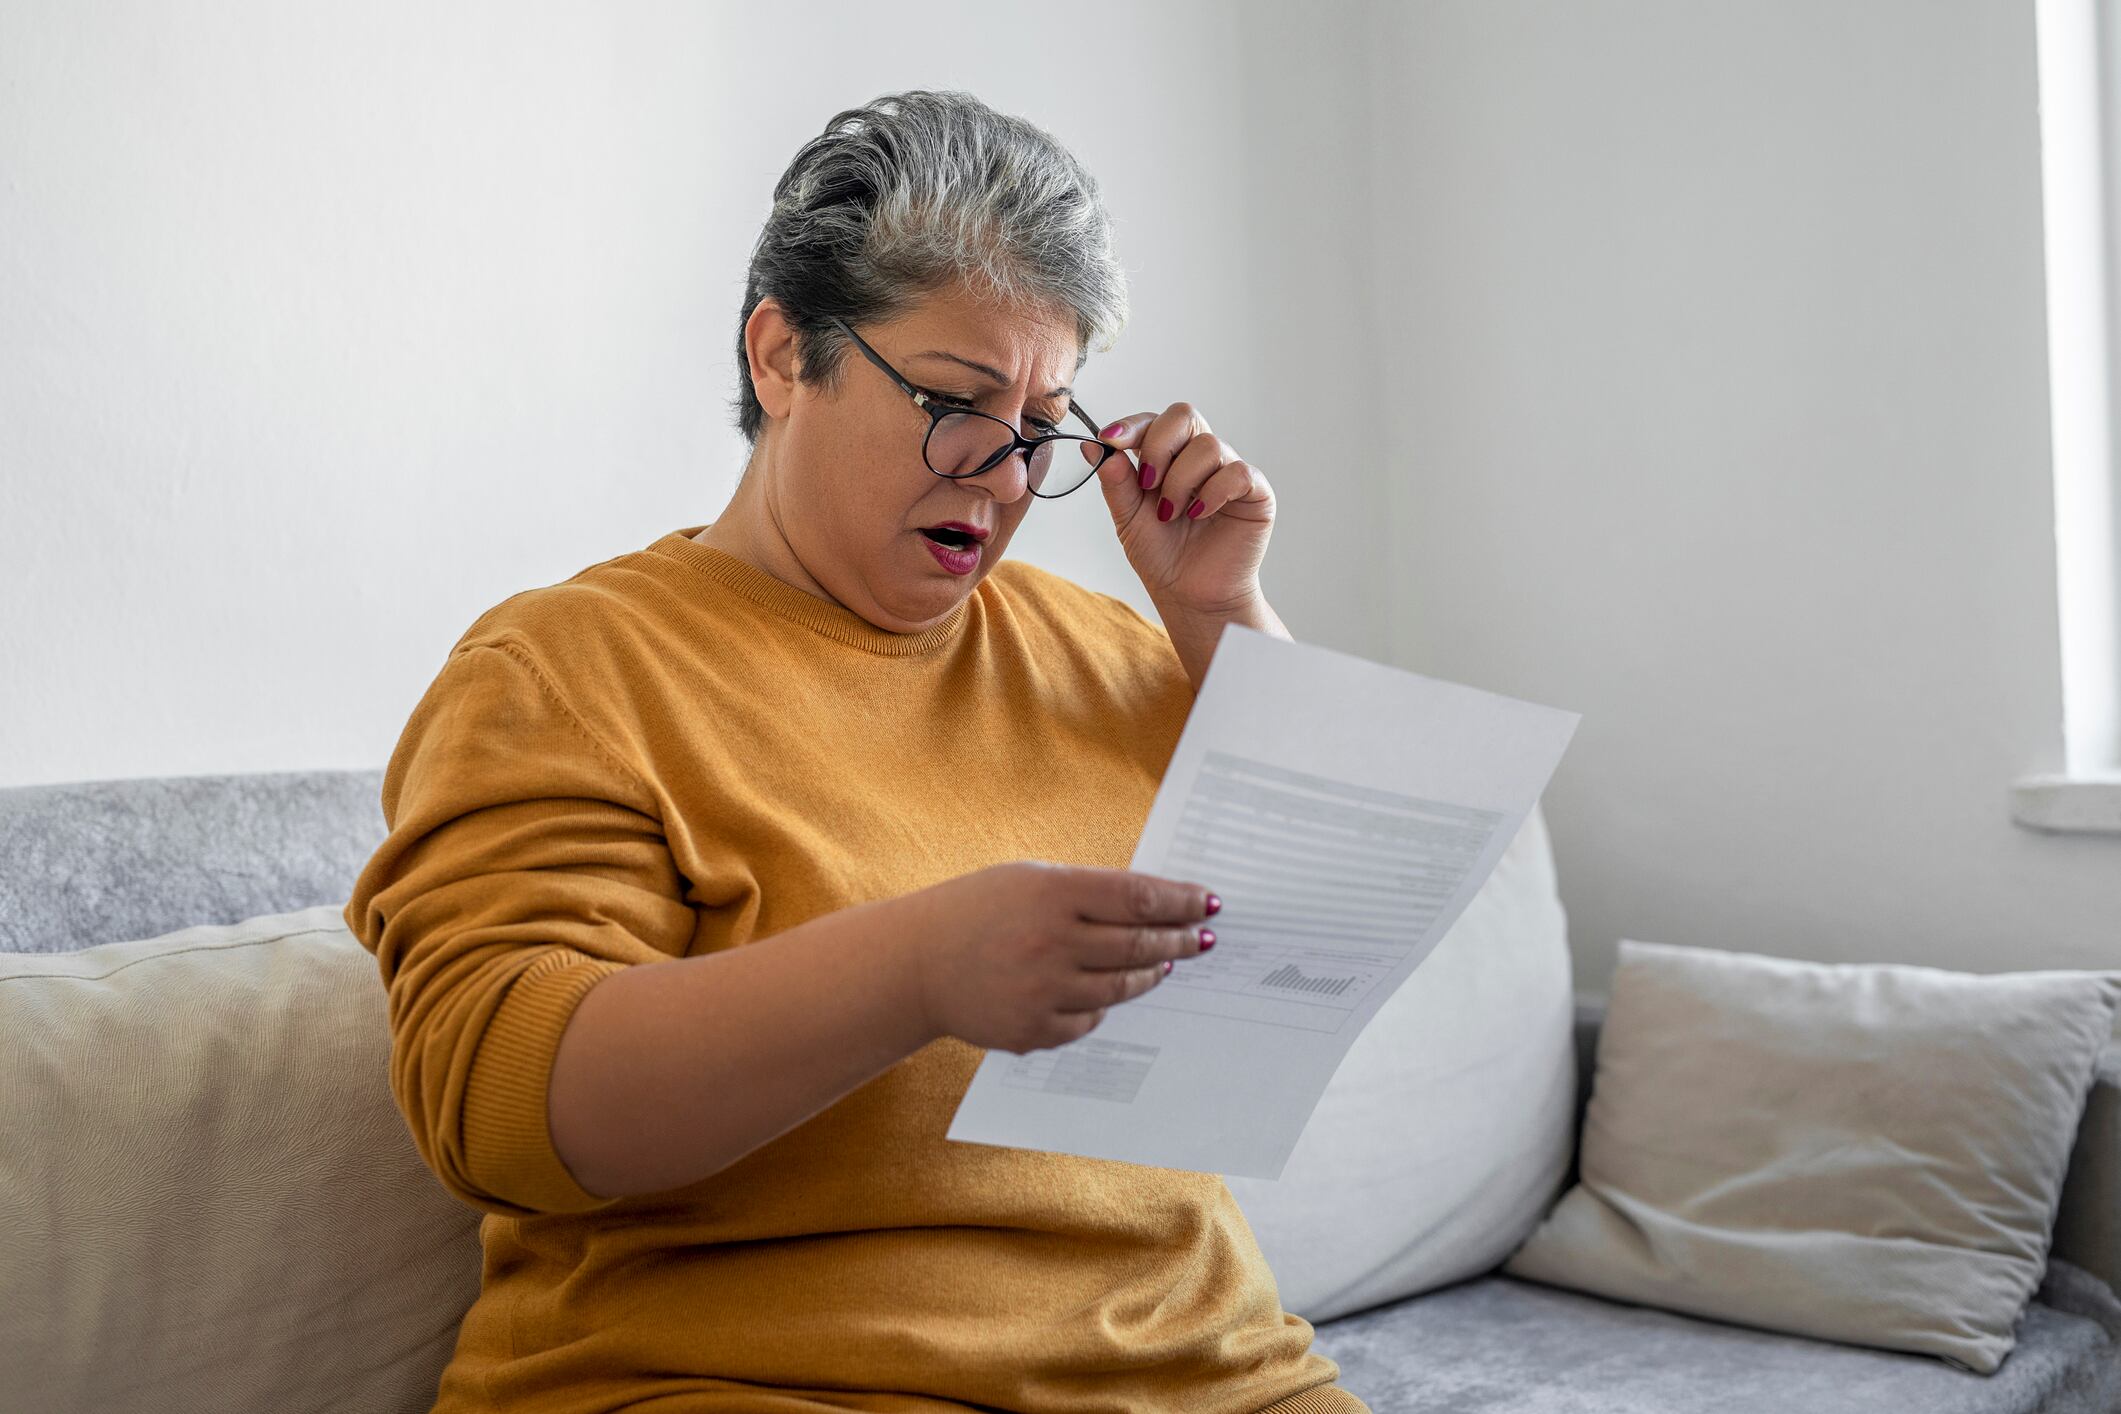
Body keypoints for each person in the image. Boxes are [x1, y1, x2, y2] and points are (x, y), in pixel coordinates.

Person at [344, 88, 1367, 1414]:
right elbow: (494, 1110)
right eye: (956, 400)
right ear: (780, 355)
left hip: (1211, 1379)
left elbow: (1333, 932)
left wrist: (1221, 617)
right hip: (755, 1381)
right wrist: (921, 967)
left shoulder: (1119, 649)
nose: (1003, 477)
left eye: (1043, 423)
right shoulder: (570, 669)